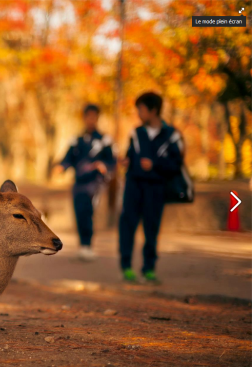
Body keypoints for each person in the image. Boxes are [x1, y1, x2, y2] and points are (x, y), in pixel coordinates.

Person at [119, 92, 183, 283]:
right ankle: (127, 267)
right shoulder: (136, 133)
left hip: (156, 188)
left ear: (153, 110)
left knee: (151, 228)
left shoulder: (172, 135)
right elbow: (130, 154)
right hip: (134, 186)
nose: (138, 113)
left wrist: (155, 165)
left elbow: (176, 164)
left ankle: (149, 269)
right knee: (127, 226)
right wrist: (127, 161)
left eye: (141, 109)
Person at [54, 104, 116, 261]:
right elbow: (68, 158)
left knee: (88, 212)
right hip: (79, 183)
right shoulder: (77, 140)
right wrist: (62, 167)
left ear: (97, 118)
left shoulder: (105, 140)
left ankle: (88, 245)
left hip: (95, 184)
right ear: (84, 118)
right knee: (80, 212)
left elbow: (112, 161)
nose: (91, 120)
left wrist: (103, 166)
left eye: (94, 116)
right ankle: (83, 246)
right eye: (88, 116)